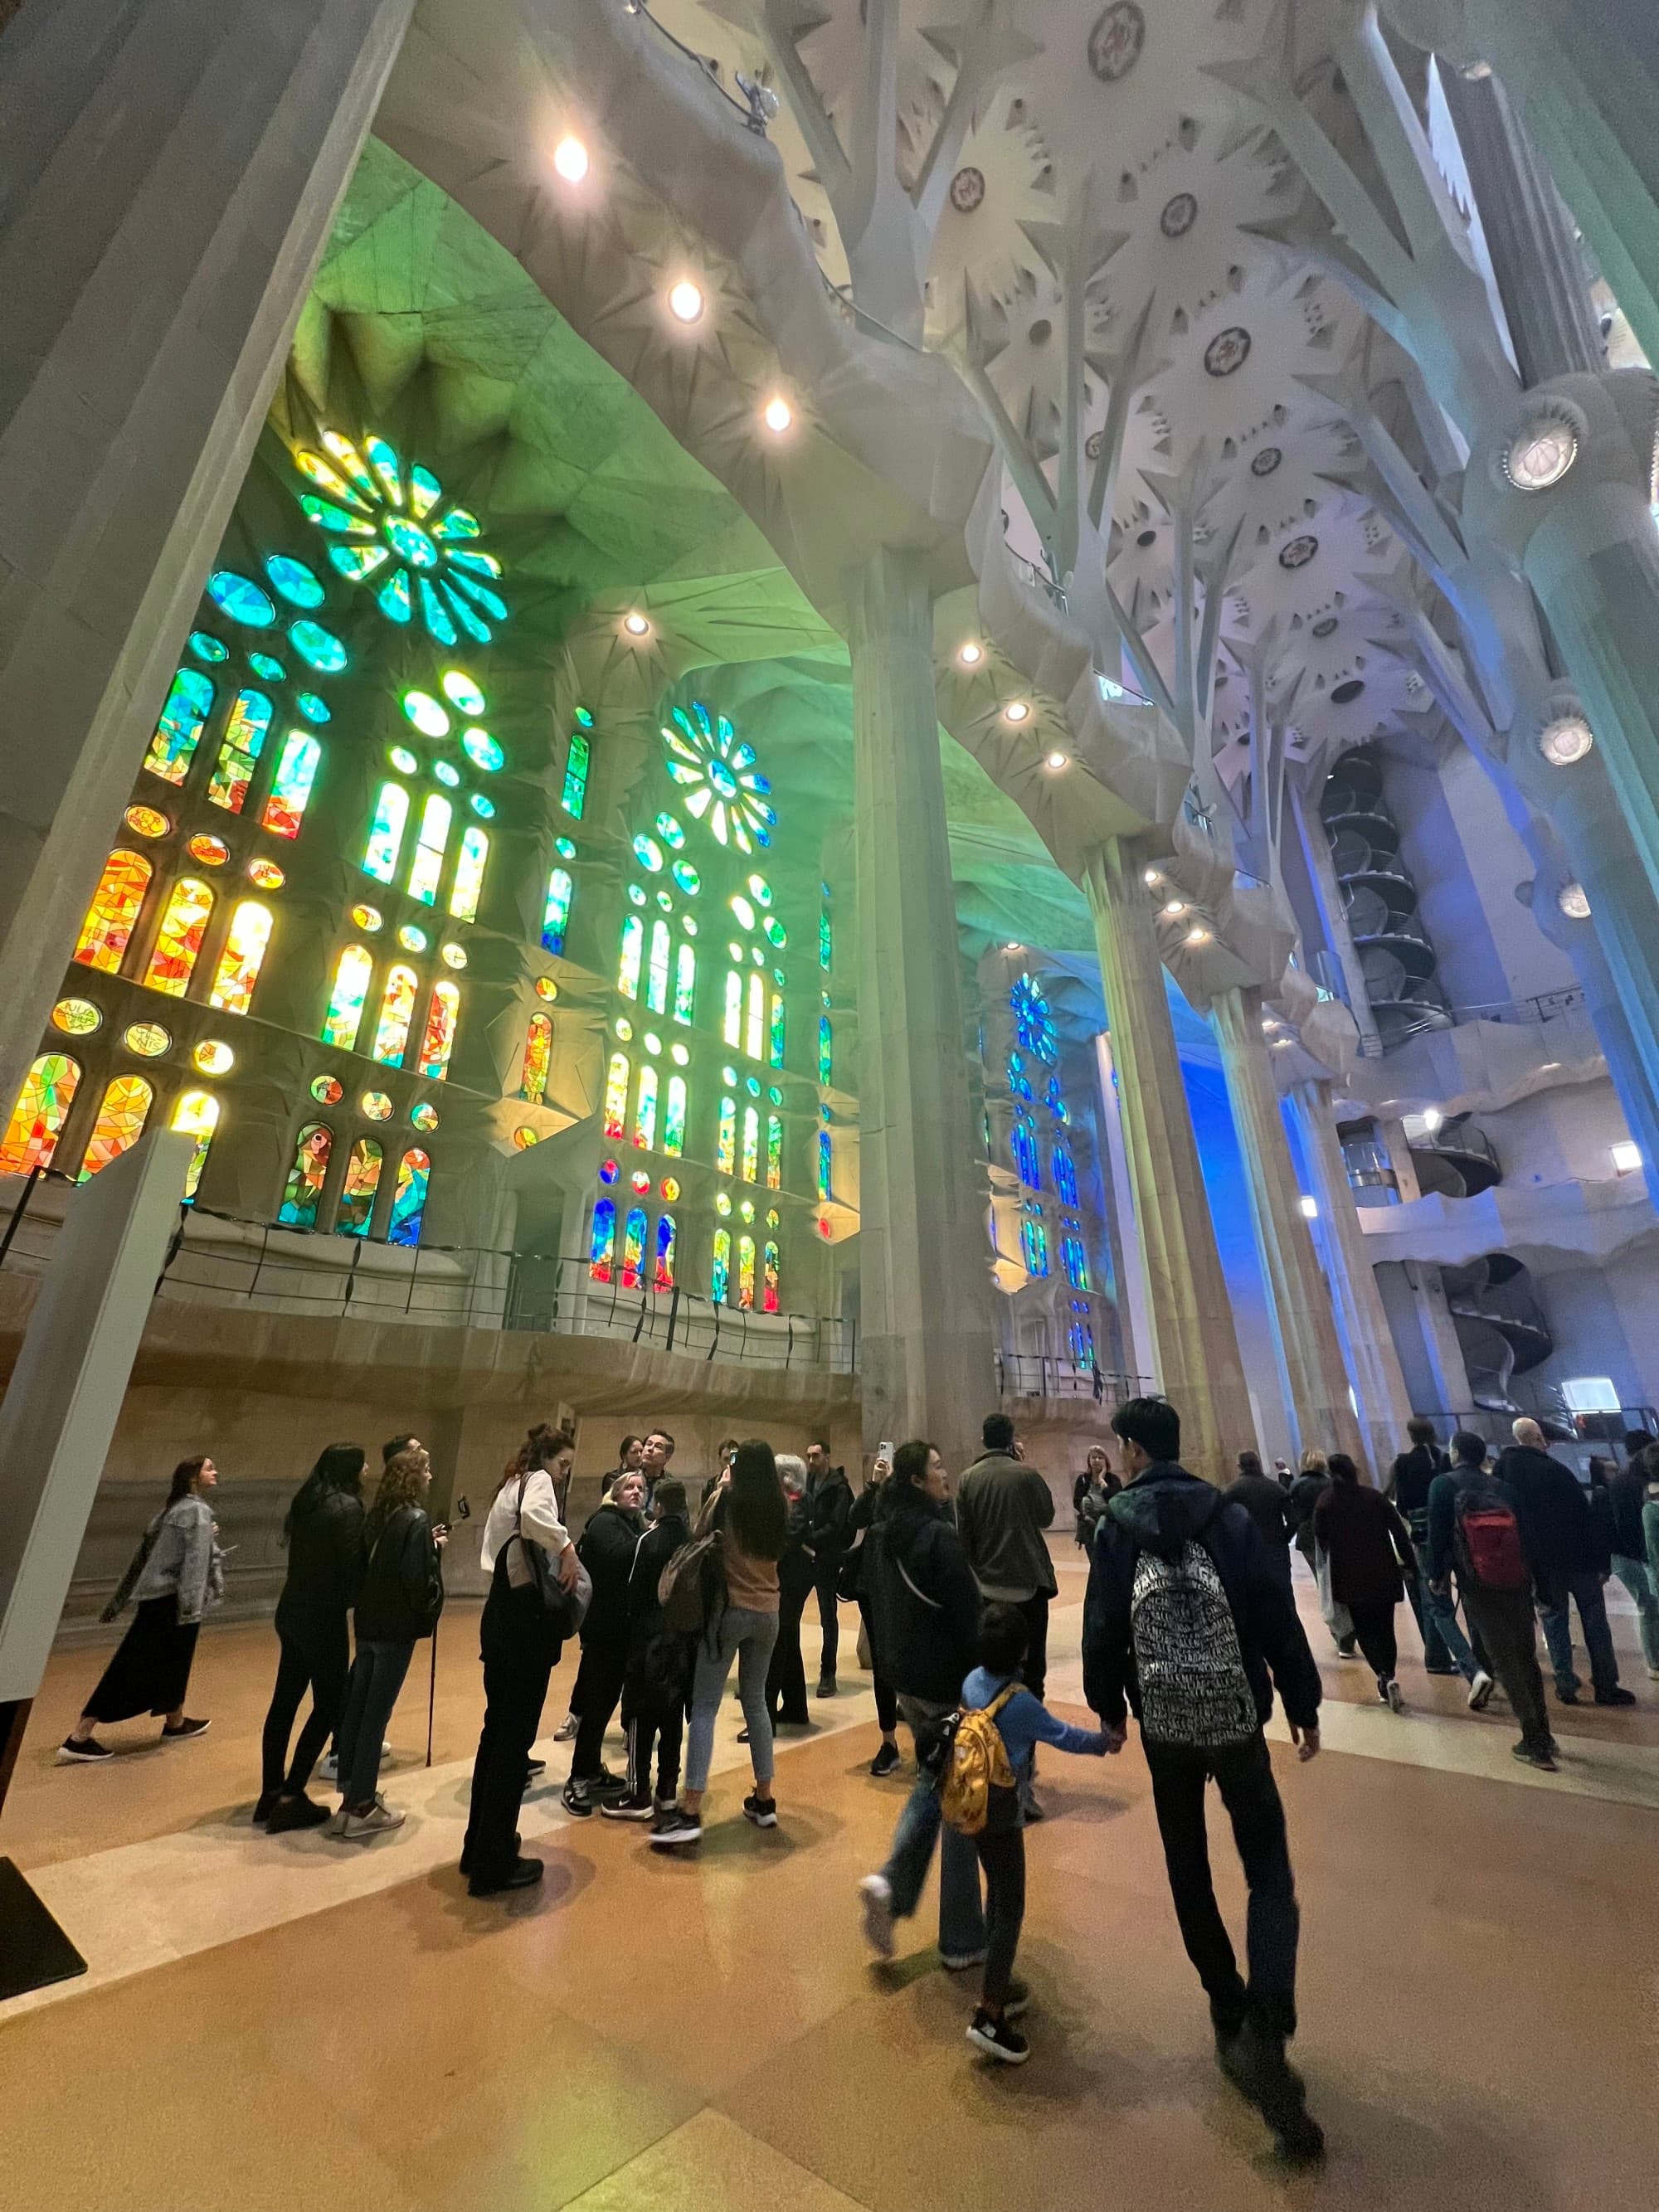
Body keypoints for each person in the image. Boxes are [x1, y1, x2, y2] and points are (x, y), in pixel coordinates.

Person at [1082, 1395, 1324, 2166]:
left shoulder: (1116, 1523)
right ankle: (1269, 2024)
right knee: (1269, 1874)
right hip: (1234, 1715)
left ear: (1127, 1448)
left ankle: (1227, 2004)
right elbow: (1274, 1610)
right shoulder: (1228, 1518)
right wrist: (1302, 1700)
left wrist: (1110, 1708)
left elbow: (1102, 1625)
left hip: (1166, 1722)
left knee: (1187, 1865)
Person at [957, 1604, 1114, 2064]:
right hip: (1004, 1812)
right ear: (1025, 1651)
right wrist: (1105, 1742)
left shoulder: (971, 1682)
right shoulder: (1020, 1702)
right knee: (1012, 1905)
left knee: (997, 1894)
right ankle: (989, 2013)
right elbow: (1063, 1735)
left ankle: (997, 1979)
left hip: (972, 1805)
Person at [856, 1441, 987, 1972]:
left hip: (904, 1680)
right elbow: (969, 1616)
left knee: (931, 1779)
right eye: (936, 1466)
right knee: (958, 1801)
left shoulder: (882, 1534)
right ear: (916, 1480)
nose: (945, 1472)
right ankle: (960, 1937)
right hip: (945, 1684)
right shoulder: (937, 1537)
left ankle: (891, 1886)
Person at [460, 1427, 579, 1894]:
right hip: (523, 1623)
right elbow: (536, 1519)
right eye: (564, 1464)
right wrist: (566, 1546)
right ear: (549, 1458)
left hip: (499, 1618)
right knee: (512, 1743)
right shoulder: (537, 1482)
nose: (565, 1473)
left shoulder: (510, 1483)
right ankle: (495, 1865)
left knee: (496, 1738)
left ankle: (480, 1845)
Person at [652, 1438, 786, 1847]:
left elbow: (698, 1534)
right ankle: (764, 1800)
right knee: (757, 1702)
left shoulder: (726, 1501)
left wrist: (722, 1486)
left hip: (730, 1612)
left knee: (706, 1707)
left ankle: (690, 1808)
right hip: (769, 1612)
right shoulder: (780, 1506)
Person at [60, 1456, 225, 1762]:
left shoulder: (171, 1509)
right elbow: (192, 1563)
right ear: (192, 1476)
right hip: (176, 1601)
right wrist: (191, 1609)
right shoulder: (198, 1512)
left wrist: (120, 1599)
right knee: (132, 1664)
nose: (215, 1473)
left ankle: (175, 1722)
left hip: (157, 1599)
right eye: (209, 1468)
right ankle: (80, 1736)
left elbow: (144, 1557)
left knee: (173, 1662)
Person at [328, 1444, 445, 1839]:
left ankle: (351, 1795)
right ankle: (362, 1807)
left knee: (358, 1711)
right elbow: (416, 1579)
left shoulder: (377, 1515)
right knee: (376, 1714)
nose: (430, 1477)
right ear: (413, 1477)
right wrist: (430, 1599)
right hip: (395, 1628)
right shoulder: (414, 1518)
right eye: (426, 1470)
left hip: (368, 1623)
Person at [1426, 1432, 1556, 1769]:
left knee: (1503, 1659)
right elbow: (1529, 1537)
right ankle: (1545, 1732)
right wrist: (1541, 1584)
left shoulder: (1443, 1485)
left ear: (1455, 1453)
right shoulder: (1502, 1488)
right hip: (1517, 1579)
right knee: (1526, 1657)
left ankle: (1534, 1740)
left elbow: (1437, 1537)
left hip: (1477, 1583)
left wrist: (1436, 1576)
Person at [255, 1443, 365, 1830]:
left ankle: (270, 1793)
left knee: (283, 1702)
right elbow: (351, 1569)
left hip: (292, 1611)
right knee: (330, 1705)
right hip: (323, 1617)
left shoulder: (307, 1502)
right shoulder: (348, 1508)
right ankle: (292, 1794)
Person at [956, 1413, 1057, 1816]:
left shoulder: (967, 1480)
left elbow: (965, 1539)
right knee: (1030, 1681)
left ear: (982, 1438)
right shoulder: (1025, 1474)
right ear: (1011, 1439)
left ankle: (990, 1774)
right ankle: (1022, 1779)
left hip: (988, 1593)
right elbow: (1047, 1516)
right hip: (1028, 1591)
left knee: (991, 1684)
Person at [1496, 1418, 1632, 1706]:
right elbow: (1584, 1518)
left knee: (1553, 1620)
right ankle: (1606, 1685)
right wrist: (1601, 1562)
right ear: (1538, 1439)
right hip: (1578, 1560)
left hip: (1541, 1564)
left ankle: (1565, 1683)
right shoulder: (1556, 1471)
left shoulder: (1503, 1474)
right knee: (1594, 1620)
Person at [605, 1475, 693, 1821]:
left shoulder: (648, 1539)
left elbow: (634, 1593)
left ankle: (638, 1792)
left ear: (658, 1505)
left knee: (641, 1718)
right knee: (672, 1719)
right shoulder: (691, 1541)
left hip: (648, 1643)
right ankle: (668, 1792)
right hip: (681, 1644)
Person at [562, 1469, 648, 1814]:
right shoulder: (605, 1522)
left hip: (622, 1630)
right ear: (614, 1493)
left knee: (607, 1703)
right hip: (604, 1630)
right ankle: (579, 1777)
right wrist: (650, 1540)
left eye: (641, 1488)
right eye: (629, 1487)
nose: (636, 1492)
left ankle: (592, 1768)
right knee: (598, 1703)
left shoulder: (633, 1524)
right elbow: (618, 1559)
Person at [1311, 1454, 1417, 1710]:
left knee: (1365, 1630)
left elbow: (1320, 1538)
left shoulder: (1326, 1502)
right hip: (1382, 1572)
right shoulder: (1374, 1497)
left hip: (1349, 1577)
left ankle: (1382, 1676)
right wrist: (1410, 1563)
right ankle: (1389, 1672)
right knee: (1385, 1627)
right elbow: (1399, 1532)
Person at [841, 1451, 901, 1776]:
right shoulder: (878, 1495)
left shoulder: (913, 1501)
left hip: (904, 1591)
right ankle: (889, 1742)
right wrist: (874, 1485)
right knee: (882, 1666)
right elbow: (855, 1518)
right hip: (874, 1588)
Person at [1387, 1417, 1457, 1674]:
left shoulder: (1404, 1462)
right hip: (1451, 1532)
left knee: (1430, 1597)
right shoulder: (1444, 1459)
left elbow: (1401, 1503)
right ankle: (1476, 1658)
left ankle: (1438, 1656)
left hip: (1422, 1534)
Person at [1593, 1451, 1659, 1681]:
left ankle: (1655, 1661)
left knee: (1648, 1607)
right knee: (1649, 1607)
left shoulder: (1622, 1486)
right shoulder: (1641, 1494)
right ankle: (1654, 1661)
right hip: (1635, 1557)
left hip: (1626, 1557)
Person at [761, 1452, 815, 1732]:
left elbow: (787, 1540)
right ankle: (795, 1707)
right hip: (787, 1579)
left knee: (777, 1645)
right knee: (788, 1643)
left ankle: (766, 1715)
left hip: (791, 1581)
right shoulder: (788, 1502)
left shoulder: (797, 1503)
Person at [805, 1438, 853, 1695]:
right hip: (806, 1558)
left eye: (816, 1456)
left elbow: (837, 1525)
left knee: (827, 1617)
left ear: (828, 1457)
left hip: (826, 1559)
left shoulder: (840, 1488)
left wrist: (809, 1537)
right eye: (809, 1456)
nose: (811, 1461)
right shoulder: (808, 1483)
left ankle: (828, 1673)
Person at [1224, 1451, 1293, 1590]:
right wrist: (1283, 1538)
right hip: (1276, 1548)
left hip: (1248, 1551)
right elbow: (1293, 1520)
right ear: (1258, 1463)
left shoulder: (1232, 1490)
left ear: (1240, 1466)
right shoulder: (1276, 1488)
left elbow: (1224, 1520)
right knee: (1284, 1593)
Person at [1073, 1444, 1118, 1553]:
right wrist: (1087, 1508)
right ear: (1089, 1460)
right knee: (1095, 1561)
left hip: (1108, 1526)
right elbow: (1077, 1501)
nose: (1096, 1460)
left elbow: (1116, 1500)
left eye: (1100, 1458)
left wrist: (1102, 1481)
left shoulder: (1112, 1479)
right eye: (1093, 1457)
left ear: (1105, 1461)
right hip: (1090, 1526)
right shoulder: (1082, 1479)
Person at [639, 1428, 674, 1506]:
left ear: (667, 1457)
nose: (650, 1449)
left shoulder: (672, 1486)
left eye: (658, 1447)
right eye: (648, 1444)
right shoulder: (629, 1479)